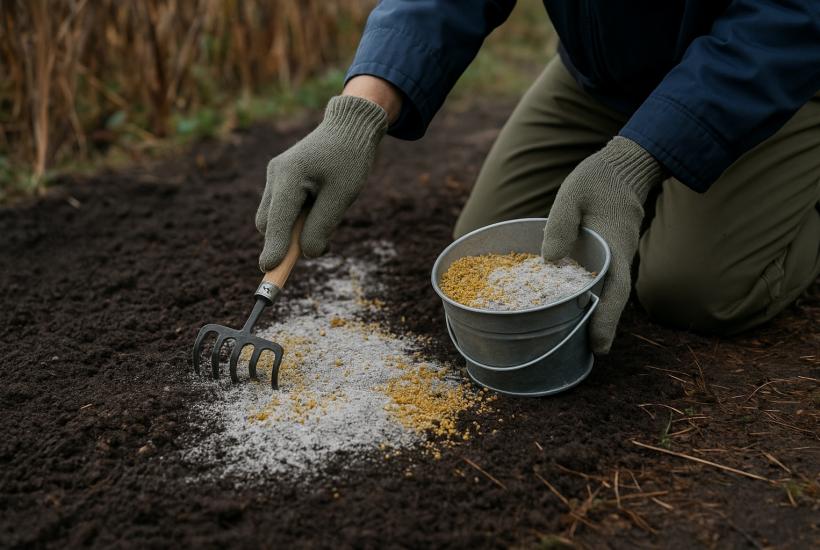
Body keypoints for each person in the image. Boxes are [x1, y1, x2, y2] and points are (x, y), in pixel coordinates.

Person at [254, 1, 820, 354]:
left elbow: (788, 17)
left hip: (763, 72)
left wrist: (635, 164)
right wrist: (359, 114)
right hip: (605, 77)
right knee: (492, 254)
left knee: (691, 289)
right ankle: (673, 168)